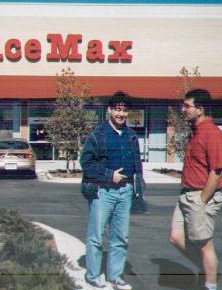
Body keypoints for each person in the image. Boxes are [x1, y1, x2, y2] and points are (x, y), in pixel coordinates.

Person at [80, 91, 145, 290]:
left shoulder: (131, 135)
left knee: (120, 237)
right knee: (96, 236)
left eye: (124, 110)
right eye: (117, 109)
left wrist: (137, 189)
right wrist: (109, 175)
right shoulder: (97, 135)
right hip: (103, 192)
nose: (121, 114)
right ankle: (92, 275)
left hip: (125, 192)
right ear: (109, 110)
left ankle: (115, 276)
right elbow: (86, 163)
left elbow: (137, 165)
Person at [169, 89, 222, 290]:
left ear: (200, 109)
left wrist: (202, 199)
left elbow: (217, 171)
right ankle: (205, 270)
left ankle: (210, 285)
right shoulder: (196, 131)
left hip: (200, 196)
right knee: (176, 237)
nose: (183, 109)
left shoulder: (212, 134)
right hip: (186, 194)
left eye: (187, 106)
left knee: (204, 245)